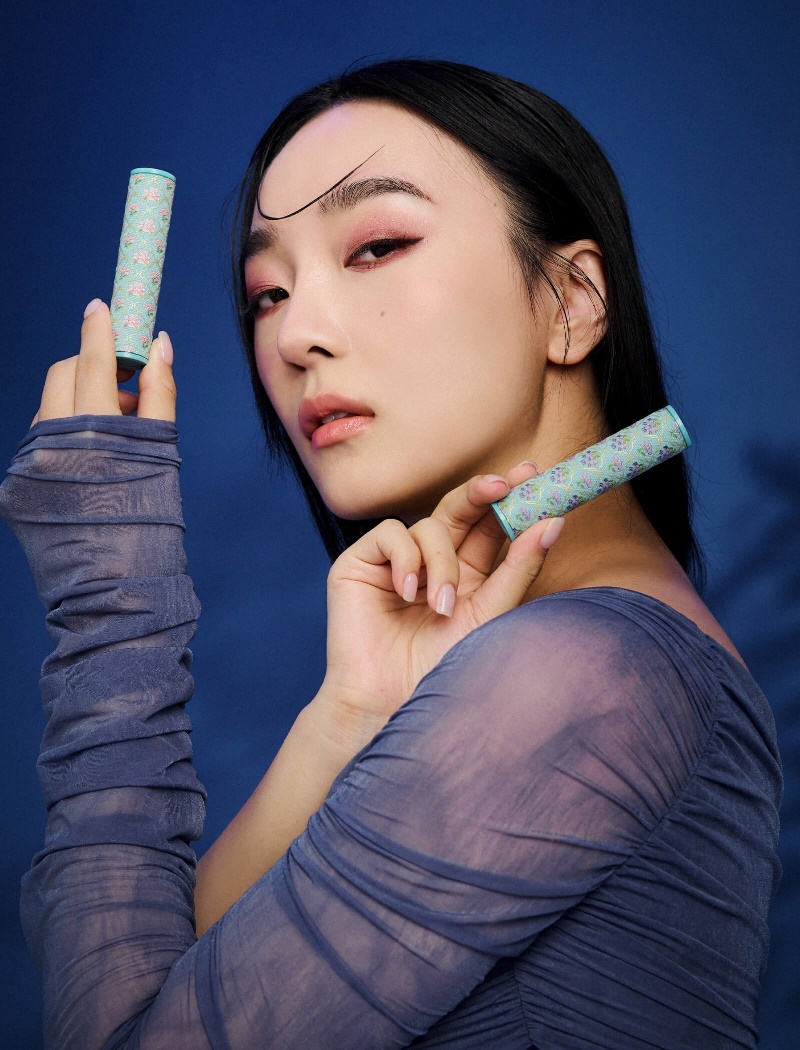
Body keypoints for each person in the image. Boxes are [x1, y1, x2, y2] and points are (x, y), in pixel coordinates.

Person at [0, 59, 781, 1048]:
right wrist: (345, 718)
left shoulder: (577, 674)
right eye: (265, 294)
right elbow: (163, 985)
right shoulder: (556, 658)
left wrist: (109, 596)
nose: (297, 335)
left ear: (573, 300)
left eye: (376, 247)